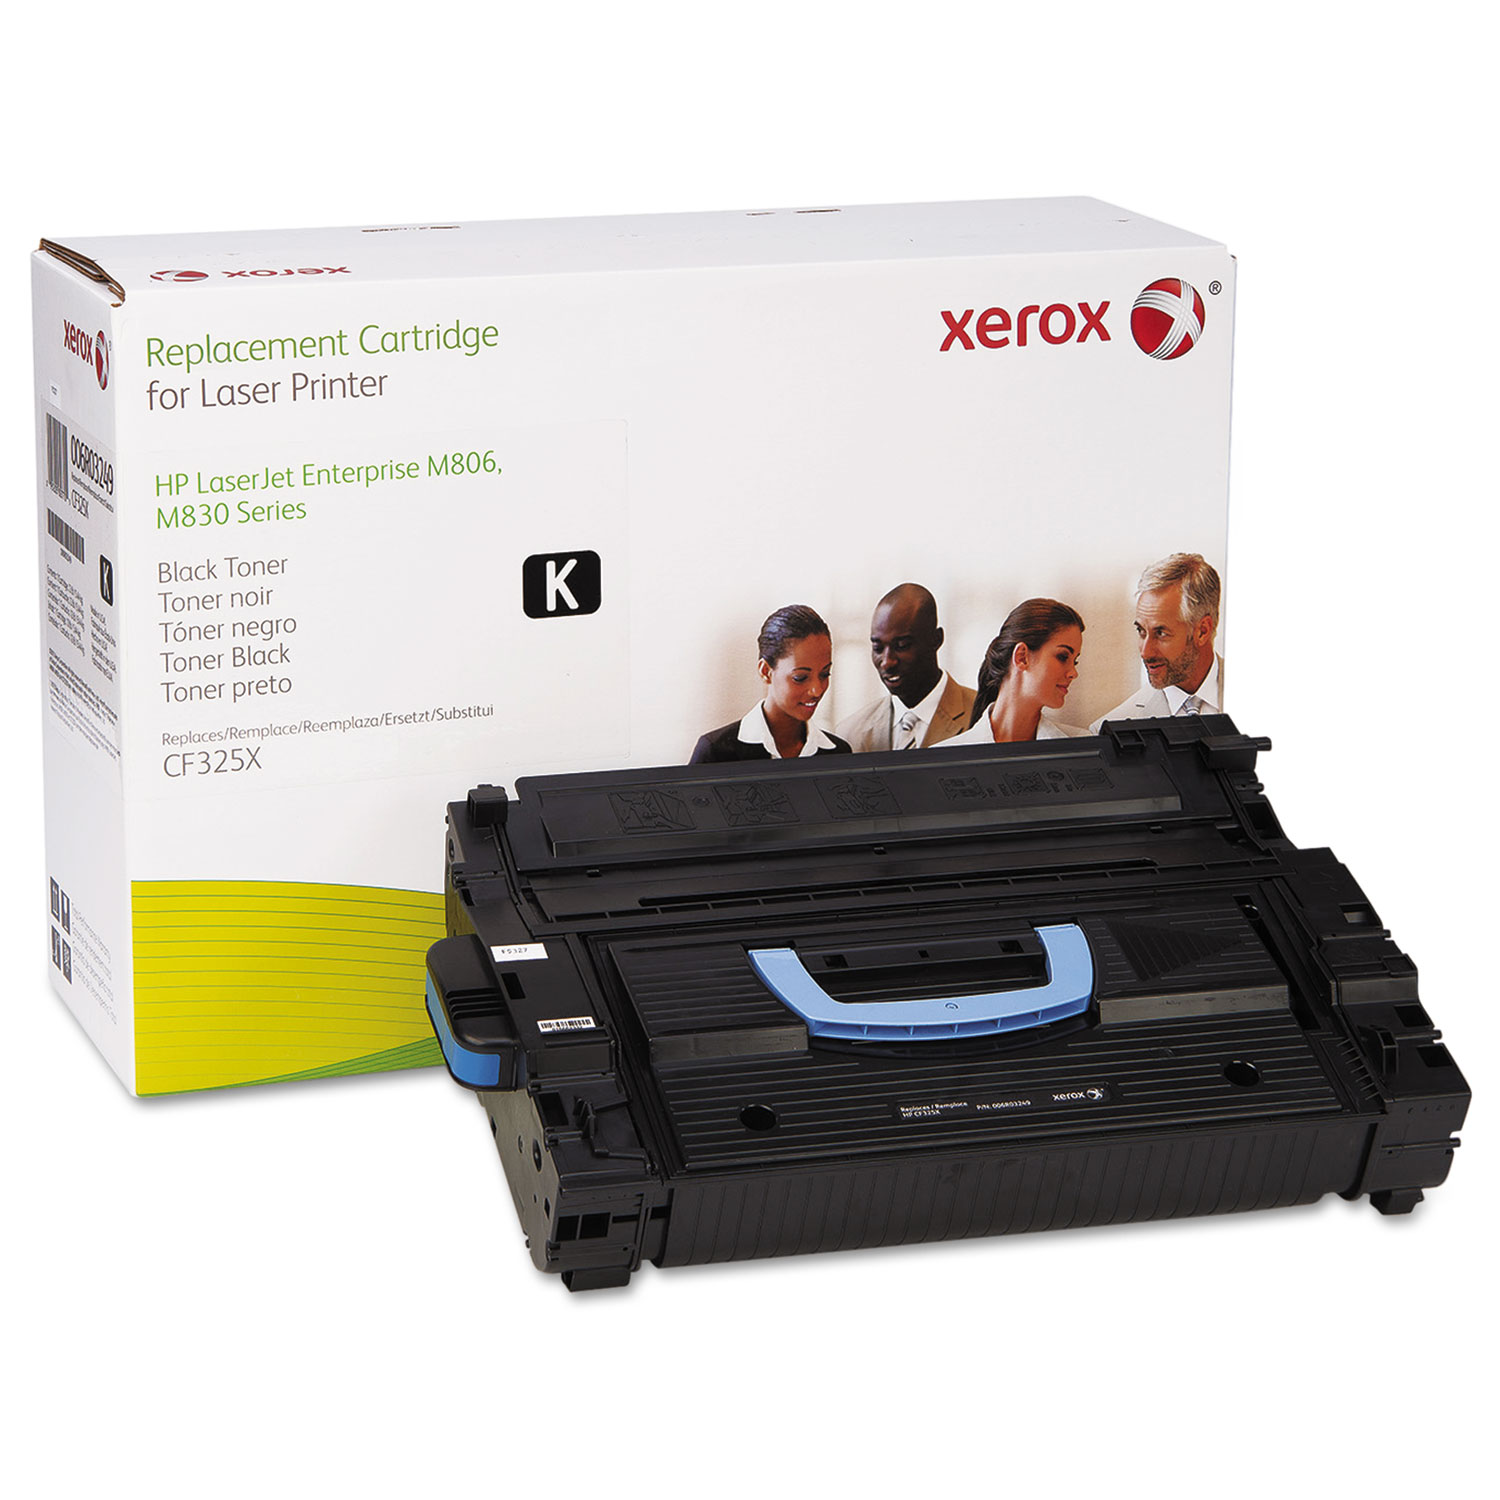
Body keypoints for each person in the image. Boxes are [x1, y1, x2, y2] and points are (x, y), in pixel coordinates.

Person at [690, 605, 853, 762]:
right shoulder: (716, 752)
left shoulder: (838, 754)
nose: (817, 690)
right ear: (766, 671)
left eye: (824, 674)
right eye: (800, 678)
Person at [1089, 553, 1223, 731]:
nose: (1146, 653)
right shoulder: (1111, 729)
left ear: (1202, 631)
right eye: (1141, 631)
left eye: (1161, 633)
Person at [836, 583, 976, 752]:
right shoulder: (850, 735)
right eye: (878, 648)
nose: (887, 662)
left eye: (902, 646)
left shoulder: (984, 716)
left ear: (936, 640)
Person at [940, 599, 1090, 746]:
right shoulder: (945, 755)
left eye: (1075, 661)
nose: (1073, 673)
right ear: (1021, 657)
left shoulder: (1083, 745)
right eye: (1063, 657)